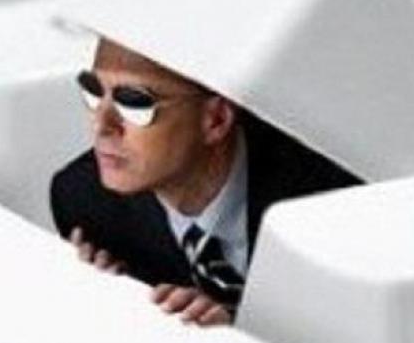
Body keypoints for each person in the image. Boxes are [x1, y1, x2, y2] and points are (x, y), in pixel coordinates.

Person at [50, 37, 362, 326]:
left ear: (216, 119)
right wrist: (101, 300)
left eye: (134, 103)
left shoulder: (332, 199)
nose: (102, 125)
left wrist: (241, 331)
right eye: (93, 91)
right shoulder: (84, 202)